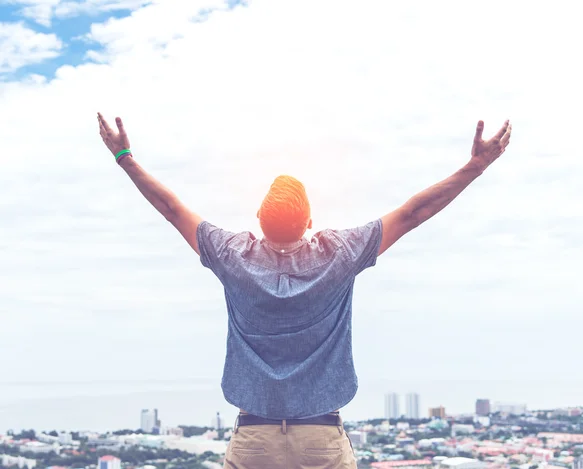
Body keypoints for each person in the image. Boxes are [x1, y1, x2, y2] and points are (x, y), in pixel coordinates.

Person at [97, 113, 511, 469]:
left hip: (254, 439)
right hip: (322, 440)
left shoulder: (232, 256)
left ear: (259, 218)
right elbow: (413, 212)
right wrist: (475, 166)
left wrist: (124, 159)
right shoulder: (339, 254)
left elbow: (172, 209)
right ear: (310, 219)